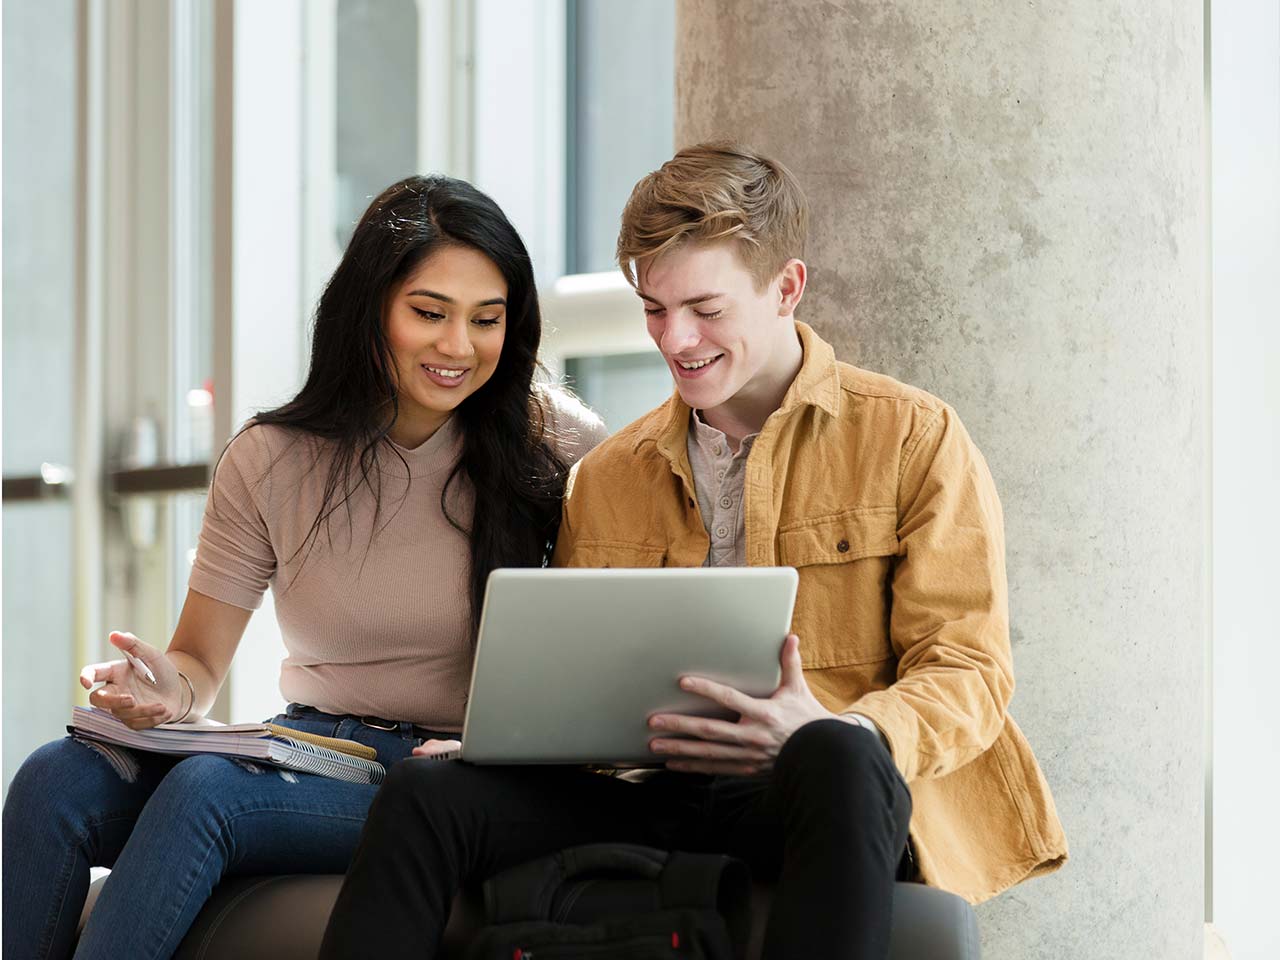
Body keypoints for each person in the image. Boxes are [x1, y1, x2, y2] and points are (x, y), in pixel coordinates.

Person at [318, 143, 1069, 960]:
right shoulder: (610, 474)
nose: (676, 340)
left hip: (816, 791)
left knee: (839, 755)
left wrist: (836, 725)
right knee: (430, 793)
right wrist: (513, 743)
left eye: (705, 308)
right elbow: (577, 674)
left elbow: (970, 673)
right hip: (658, 791)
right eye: (654, 308)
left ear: (786, 288)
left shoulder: (912, 437)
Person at [1, 174, 607, 960]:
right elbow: (198, 664)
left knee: (205, 797)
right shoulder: (270, 458)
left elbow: (600, 663)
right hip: (309, 751)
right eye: (429, 313)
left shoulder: (561, 447)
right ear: (371, 309)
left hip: (449, 774)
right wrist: (163, 692)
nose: (459, 346)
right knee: (54, 780)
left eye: (486, 320)